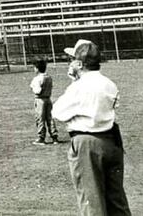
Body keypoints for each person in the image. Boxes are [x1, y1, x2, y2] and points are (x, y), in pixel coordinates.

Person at [52, 39, 130, 216]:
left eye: (72, 59)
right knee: (116, 200)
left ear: (79, 64)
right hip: (111, 140)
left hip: (86, 143)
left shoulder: (78, 87)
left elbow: (58, 112)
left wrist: (73, 82)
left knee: (91, 201)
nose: (70, 63)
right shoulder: (109, 84)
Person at [29, 59, 59, 145]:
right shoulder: (48, 77)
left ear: (37, 68)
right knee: (50, 118)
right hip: (48, 99)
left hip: (40, 100)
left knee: (40, 118)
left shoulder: (37, 79)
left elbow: (37, 91)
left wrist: (33, 88)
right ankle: (54, 137)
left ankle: (41, 138)